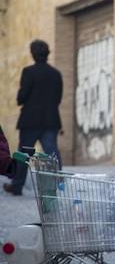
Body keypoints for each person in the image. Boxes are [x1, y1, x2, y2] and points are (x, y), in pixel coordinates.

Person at [5, 40, 63, 196]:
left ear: (32, 54)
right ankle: (59, 184)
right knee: (52, 153)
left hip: (30, 120)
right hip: (50, 119)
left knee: (23, 154)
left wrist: (21, 98)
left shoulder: (28, 72)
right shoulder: (56, 74)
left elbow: (22, 96)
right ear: (47, 54)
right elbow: (58, 98)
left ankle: (17, 186)